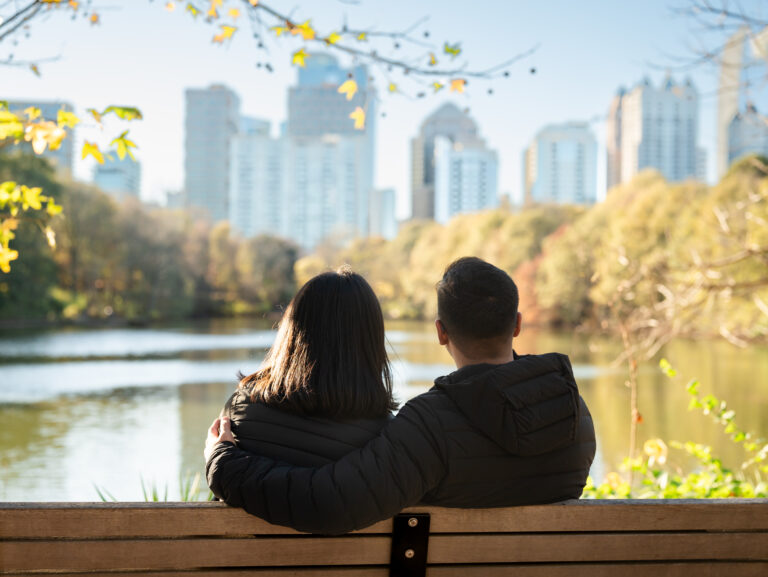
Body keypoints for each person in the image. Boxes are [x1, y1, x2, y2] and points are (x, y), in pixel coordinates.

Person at [206, 257, 596, 534]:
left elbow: (330, 502)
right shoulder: (574, 415)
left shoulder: (428, 428)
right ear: (518, 325)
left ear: (441, 332)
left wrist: (223, 462)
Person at [205, 267, 397, 475]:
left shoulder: (241, 410)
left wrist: (219, 457)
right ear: (371, 343)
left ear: (291, 333)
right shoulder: (387, 438)